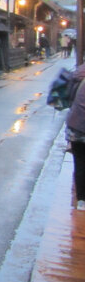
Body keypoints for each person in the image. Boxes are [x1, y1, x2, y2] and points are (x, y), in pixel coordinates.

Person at [65, 64, 85, 210]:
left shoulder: (78, 74)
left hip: (75, 126)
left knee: (79, 163)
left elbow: (70, 99)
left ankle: (82, 200)